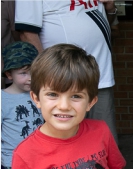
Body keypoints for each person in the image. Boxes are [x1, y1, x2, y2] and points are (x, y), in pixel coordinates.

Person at [14, 0, 119, 144]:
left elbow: (107, 21)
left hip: (101, 75)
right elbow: (27, 34)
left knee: (104, 141)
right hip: (62, 80)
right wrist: (47, 74)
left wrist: (110, 8)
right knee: (66, 143)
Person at [1, 41, 41, 169]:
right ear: (9, 74)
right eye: (23, 73)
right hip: (14, 159)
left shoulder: (40, 93)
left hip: (41, 155)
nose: (30, 78)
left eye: (33, 71)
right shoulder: (3, 99)